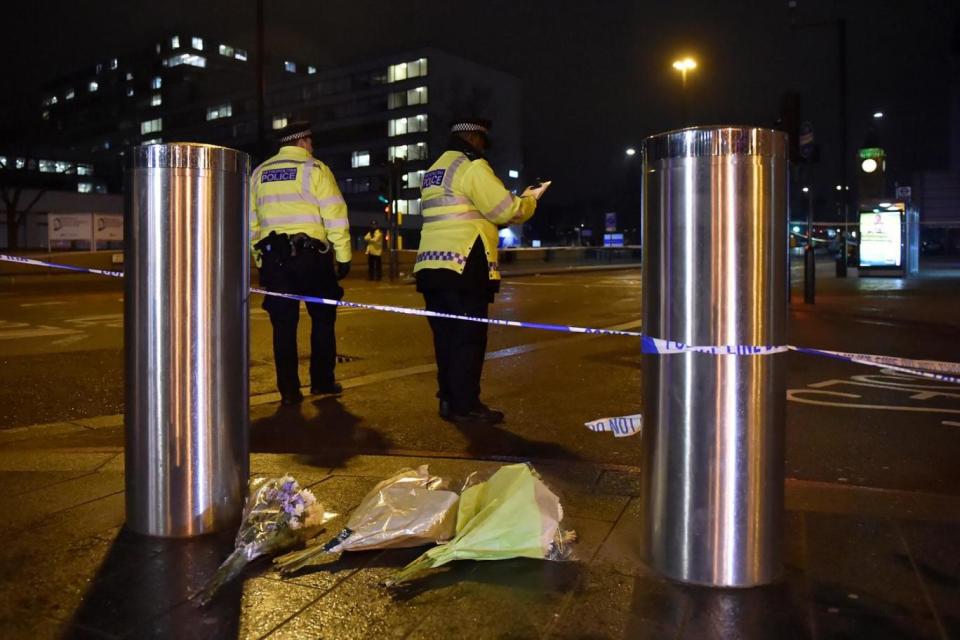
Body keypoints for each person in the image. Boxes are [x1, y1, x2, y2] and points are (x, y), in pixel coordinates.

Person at [415, 117, 551, 424]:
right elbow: (505, 210)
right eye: (482, 140)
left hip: (431, 267)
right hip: (465, 264)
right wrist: (529, 200)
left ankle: (449, 400)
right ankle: (466, 406)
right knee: (468, 340)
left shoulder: (434, 171)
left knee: (445, 339)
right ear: (475, 138)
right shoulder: (472, 166)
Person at [249, 121, 352, 406]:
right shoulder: (314, 169)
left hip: (275, 260)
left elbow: (252, 224)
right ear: (303, 141)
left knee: (283, 325)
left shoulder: (259, 173)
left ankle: (289, 391)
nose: (312, 146)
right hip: (311, 259)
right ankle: (322, 383)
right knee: (322, 318)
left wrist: (260, 259)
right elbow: (335, 214)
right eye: (311, 140)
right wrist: (343, 256)